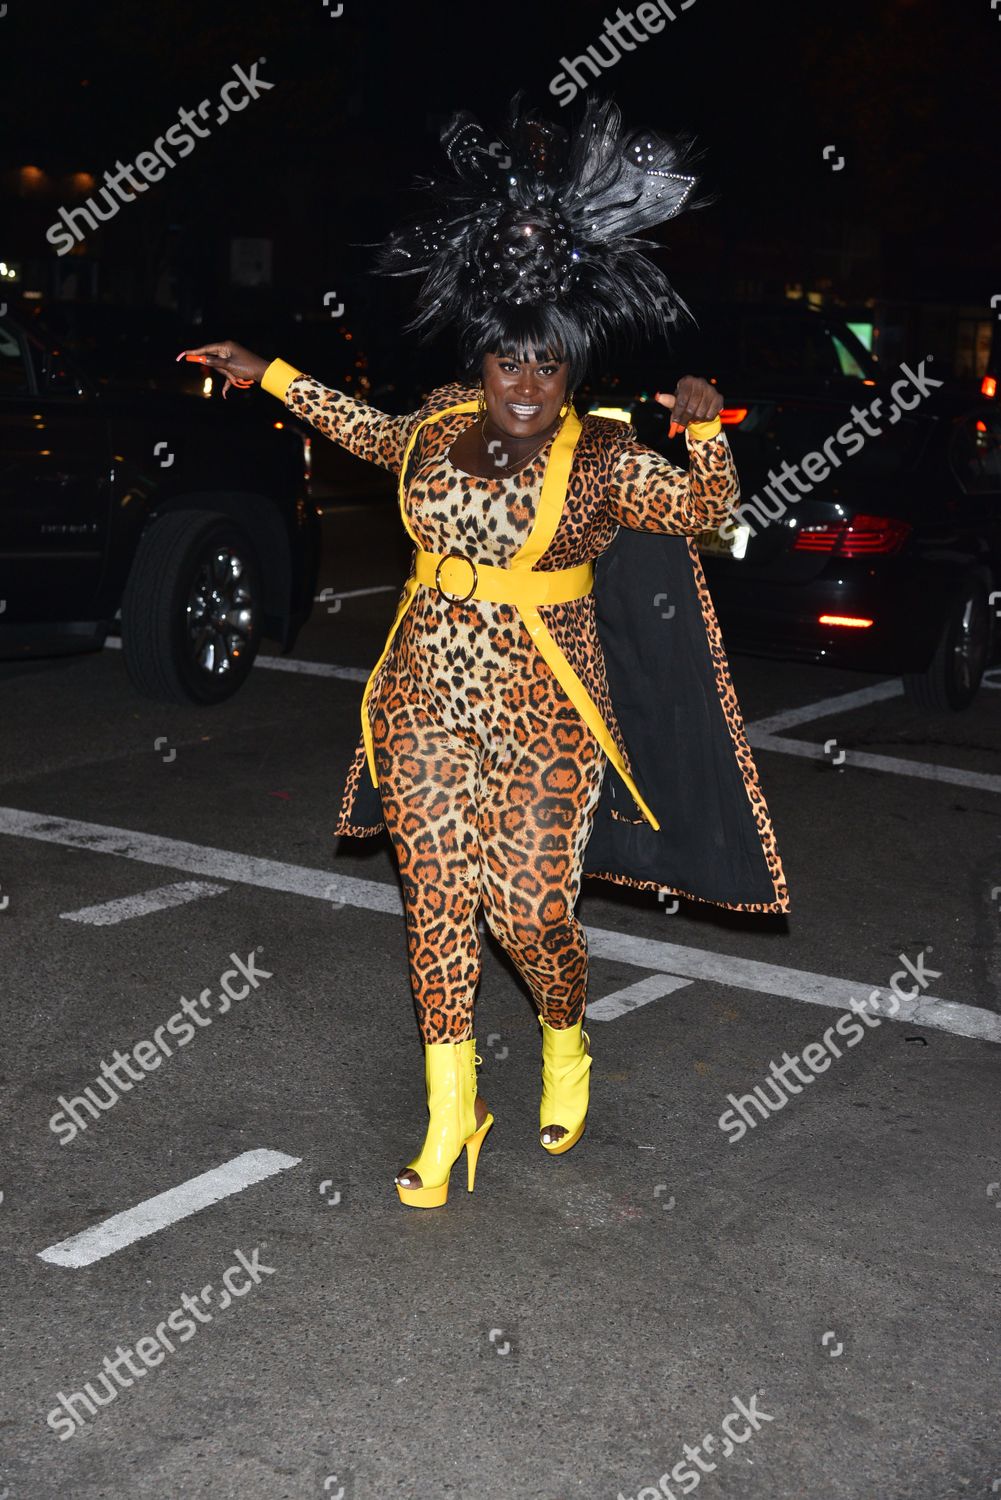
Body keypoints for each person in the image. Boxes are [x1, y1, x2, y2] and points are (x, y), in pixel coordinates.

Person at [179, 93, 789, 1211]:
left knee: (531, 918)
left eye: (545, 370)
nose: (522, 385)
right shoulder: (435, 424)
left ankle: (565, 1036)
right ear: (485, 355)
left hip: (546, 711)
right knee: (435, 904)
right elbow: (358, 426)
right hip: (420, 701)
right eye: (508, 362)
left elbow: (701, 508)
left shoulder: (600, 463)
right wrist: (264, 371)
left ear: (570, 374)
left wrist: (702, 427)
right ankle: (450, 1110)